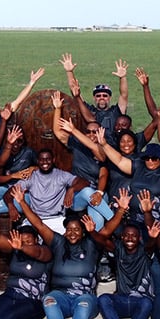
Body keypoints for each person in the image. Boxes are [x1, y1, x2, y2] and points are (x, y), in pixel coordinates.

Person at [11, 184, 108, 319]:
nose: (72, 233)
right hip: (61, 296)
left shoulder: (91, 244)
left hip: (84, 298)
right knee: (48, 300)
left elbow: (107, 237)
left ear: (83, 231)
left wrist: (93, 231)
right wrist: (22, 202)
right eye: (69, 229)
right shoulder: (58, 242)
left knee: (84, 304)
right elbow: (38, 224)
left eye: (77, 229)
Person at [88, 189, 157, 319]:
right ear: (122, 238)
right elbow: (102, 240)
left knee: (148, 303)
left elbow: (151, 243)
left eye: (133, 236)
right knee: (103, 299)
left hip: (139, 303)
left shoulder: (144, 250)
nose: (130, 239)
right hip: (121, 299)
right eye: (126, 236)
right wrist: (91, 231)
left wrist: (153, 235)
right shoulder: (118, 248)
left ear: (139, 238)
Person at [50, 90, 114, 229]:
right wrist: (57, 109)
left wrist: (99, 193)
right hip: (77, 195)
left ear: (101, 133)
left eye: (95, 132)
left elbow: (103, 173)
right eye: (88, 132)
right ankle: (116, 222)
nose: (91, 135)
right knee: (86, 192)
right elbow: (57, 132)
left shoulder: (105, 149)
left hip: (98, 195)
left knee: (96, 223)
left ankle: (98, 249)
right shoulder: (77, 145)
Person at [2, 148, 89, 229]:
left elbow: (85, 182)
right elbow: (8, 193)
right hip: (35, 218)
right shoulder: (31, 177)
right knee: (25, 240)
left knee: (61, 242)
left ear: (53, 160)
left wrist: (71, 189)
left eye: (48, 159)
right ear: (37, 161)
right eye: (42, 159)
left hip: (57, 218)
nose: (45, 162)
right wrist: (11, 206)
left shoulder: (61, 175)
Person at [60, 53, 129, 132]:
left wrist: (122, 77)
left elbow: (124, 95)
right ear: (94, 98)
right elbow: (75, 92)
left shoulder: (116, 111)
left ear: (110, 97)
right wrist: (69, 72)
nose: (101, 97)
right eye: (98, 96)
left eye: (105, 95)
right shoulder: (88, 110)